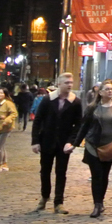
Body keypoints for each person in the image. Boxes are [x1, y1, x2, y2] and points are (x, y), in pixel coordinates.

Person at [74, 82, 112, 217]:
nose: (110, 91)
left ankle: (101, 201)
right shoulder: (92, 108)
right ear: (101, 92)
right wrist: (74, 144)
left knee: (104, 176)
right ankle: (97, 204)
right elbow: (84, 127)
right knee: (97, 175)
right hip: (93, 145)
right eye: (107, 89)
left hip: (109, 147)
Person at [31, 73, 83, 214]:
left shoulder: (75, 102)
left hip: (63, 143)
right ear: (59, 84)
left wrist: (72, 142)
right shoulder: (48, 100)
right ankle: (44, 196)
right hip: (47, 141)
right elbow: (38, 120)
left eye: (71, 82)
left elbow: (78, 125)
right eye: (66, 82)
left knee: (61, 172)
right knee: (45, 171)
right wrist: (35, 141)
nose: (70, 85)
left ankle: (58, 202)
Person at [0, 87, 19, 172]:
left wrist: (7, 120)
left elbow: (14, 113)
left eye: (2, 93)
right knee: (2, 146)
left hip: (6, 127)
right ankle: (4, 164)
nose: (0, 94)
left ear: (5, 94)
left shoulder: (8, 103)